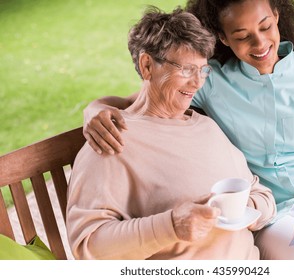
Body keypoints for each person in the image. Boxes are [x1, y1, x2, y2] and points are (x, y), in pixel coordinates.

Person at [82, 0, 294, 259]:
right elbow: (142, 100)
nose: (259, 44)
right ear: (223, 38)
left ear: (277, 16)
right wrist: (93, 110)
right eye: (242, 36)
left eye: (266, 26)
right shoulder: (210, 81)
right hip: (269, 218)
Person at [66, 6, 276, 260]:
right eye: (187, 69)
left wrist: (246, 209)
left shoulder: (206, 127)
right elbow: (87, 246)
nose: (197, 82)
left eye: (203, 70)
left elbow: (261, 194)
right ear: (147, 66)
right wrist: (171, 226)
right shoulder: (112, 137)